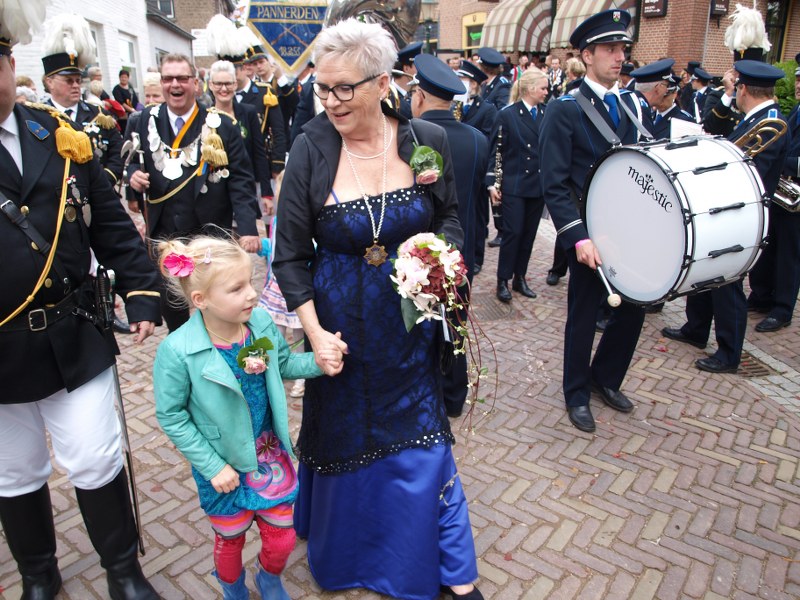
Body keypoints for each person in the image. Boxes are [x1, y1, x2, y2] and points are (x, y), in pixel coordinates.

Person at [272, 18, 483, 600]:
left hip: (411, 331)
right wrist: (314, 335)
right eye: (323, 87)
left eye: (345, 88)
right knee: (347, 439)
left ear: (384, 81)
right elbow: (289, 258)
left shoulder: (425, 142)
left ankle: (453, 573)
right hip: (340, 333)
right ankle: (357, 558)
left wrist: (441, 264)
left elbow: (450, 220)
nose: (332, 100)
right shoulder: (311, 149)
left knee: (425, 442)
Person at [0, 8, 162, 599]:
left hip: (74, 330)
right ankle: (38, 577)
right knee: (14, 472)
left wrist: (142, 291)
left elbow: (112, 228)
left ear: (7, 65)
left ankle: (123, 571)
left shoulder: (60, 138)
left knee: (96, 457)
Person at [153, 236, 331, 599]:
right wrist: (212, 466)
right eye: (237, 288)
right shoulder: (177, 351)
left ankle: (269, 576)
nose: (251, 294)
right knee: (230, 541)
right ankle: (231, 585)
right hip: (223, 467)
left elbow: (281, 364)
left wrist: (318, 362)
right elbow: (171, 415)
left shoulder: (260, 324)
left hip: (270, 456)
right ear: (200, 300)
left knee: (281, 538)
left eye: (251, 282)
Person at [538, 8, 653, 433]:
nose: (619, 56)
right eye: (609, 49)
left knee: (634, 310)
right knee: (585, 315)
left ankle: (605, 378)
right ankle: (576, 392)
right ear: (587, 55)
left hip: (631, 229)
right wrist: (578, 238)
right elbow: (554, 185)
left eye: (622, 48)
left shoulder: (631, 103)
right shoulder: (565, 109)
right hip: (591, 233)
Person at [662, 60, 789, 371]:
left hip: (742, 211)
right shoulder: (756, 117)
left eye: (737, 88)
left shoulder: (771, 122)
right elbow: (722, 134)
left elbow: (750, 172)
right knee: (706, 270)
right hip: (728, 205)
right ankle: (696, 328)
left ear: (744, 88)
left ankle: (729, 353)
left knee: (727, 280)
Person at [127, 53, 260, 331]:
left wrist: (247, 227)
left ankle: (216, 355)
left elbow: (241, 181)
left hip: (209, 231)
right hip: (165, 235)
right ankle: (185, 360)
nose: (175, 85)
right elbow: (126, 161)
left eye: (182, 78)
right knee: (173, 306)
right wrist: (132, 177)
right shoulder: (143, 120)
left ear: (195, 83)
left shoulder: (222, 125)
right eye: (168, 79)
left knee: (214, 302)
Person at [411, 53, 489, 418]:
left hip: (417, 258)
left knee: (420, 327)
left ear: (420, 97)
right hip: (461, 252)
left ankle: (427, 394)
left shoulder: (410, 136)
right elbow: (474, 203)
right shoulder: (477, 139)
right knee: (455, 326)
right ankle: (455, 396)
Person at [41, 16, 124, 189]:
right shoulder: (38, 118)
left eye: (78, 80)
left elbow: (118, 152)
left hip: (101, 196)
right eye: (69, 81)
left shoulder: (100, 115)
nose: (76, 86)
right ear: (50, 82)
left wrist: (104, 182)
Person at [488, 68, 547, 304]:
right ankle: (503, 279)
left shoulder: (546, 112)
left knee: (529, 234)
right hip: (514, 183)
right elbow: (497, 151)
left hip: (537, 184)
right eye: (543, 88)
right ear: (531, 88)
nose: (546, 92)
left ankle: (519, 278)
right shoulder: (508, 115)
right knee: (513, 233)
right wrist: (493, 183)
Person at [749, 63, 800, 332]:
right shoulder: (793, 112)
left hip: (796, 195)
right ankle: (761, 296)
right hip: (781, 193)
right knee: (769, 246)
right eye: (799, 80)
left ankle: (782, 309)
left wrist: (784, 163)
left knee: (789, 255)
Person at [455, 59, 498, 276]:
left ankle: (478, 255)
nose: (461, 84)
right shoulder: (456, 107)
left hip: (477, 171)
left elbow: (490, 143)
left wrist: (488, 176)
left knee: (479, 217)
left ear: (474, 84)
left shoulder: (487, 109)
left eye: (465, 80)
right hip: (460, 171)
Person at [631, 59, 694, 141]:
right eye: (664, 88)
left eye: (666, 95)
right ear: (657, 88)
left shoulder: (683, 121)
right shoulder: (645, 111)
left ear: (675, 94)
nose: (663, 96)